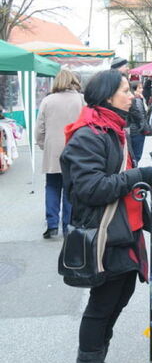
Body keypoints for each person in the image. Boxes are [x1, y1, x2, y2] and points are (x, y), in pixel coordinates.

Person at [60, 69, 152, 363]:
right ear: (107, 97)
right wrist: (139, 176)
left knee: (118, 298)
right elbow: (89, 189)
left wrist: (146, 181)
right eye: (125, 90)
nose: (133, 95)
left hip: (125, 231)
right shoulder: (88, 135)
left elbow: (117, 181)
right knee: (101, 306)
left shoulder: (113, 129)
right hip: (105, 234)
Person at [35, 70, 84, 239]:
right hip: (76, 150)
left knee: (52, 186)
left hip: (53, 150)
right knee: (70, 189)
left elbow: (39, 128)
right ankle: (67, 225)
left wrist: (44, 145)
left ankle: (52, 224)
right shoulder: (81, 100)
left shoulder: (47, 100)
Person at [128, 81, 150, 164]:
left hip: (133, 129)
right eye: (140, 88)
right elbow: (140, 115)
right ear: (135, 90)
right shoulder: (137, 100)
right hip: (137, 130)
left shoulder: (137, 99)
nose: (142, 89)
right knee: (136, 155)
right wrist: (143, 127)